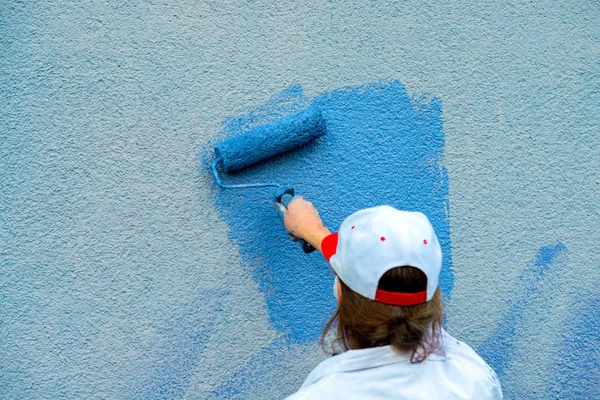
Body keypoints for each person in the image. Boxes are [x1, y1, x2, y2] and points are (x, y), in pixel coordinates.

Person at [275, 198, 503, 399]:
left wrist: (315, 231)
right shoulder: (474, 381)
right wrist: (318, 234)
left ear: (340, 294)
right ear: (432, 300)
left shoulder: (320, 393)